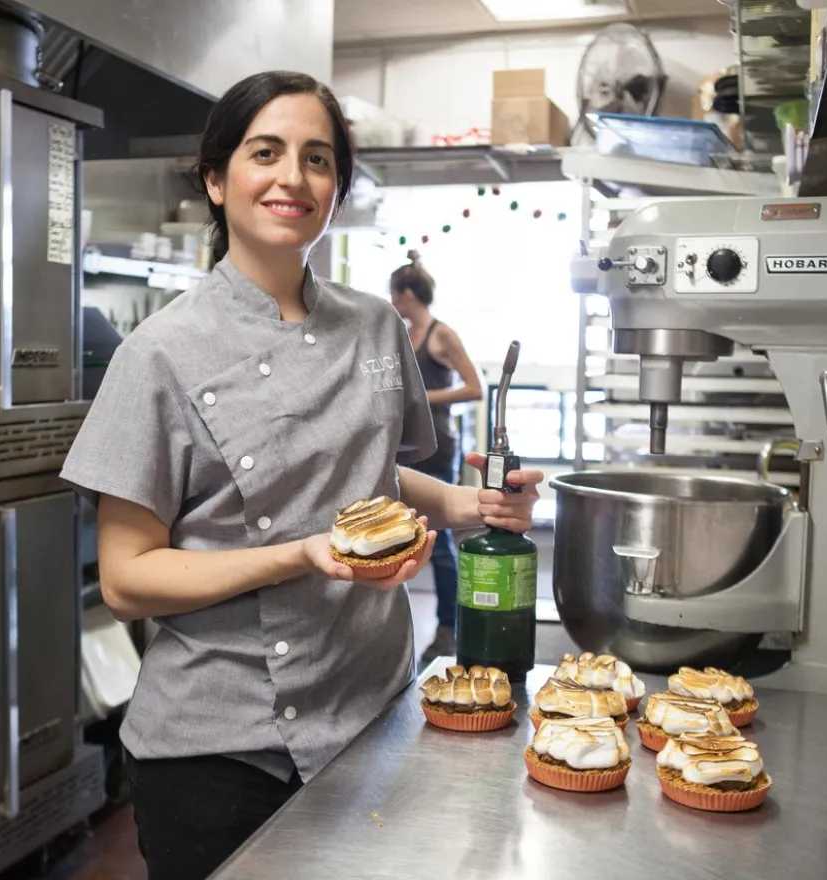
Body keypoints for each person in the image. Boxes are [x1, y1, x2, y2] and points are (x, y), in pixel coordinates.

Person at [60, 70, 543, 880]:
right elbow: (127, 580)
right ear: (216, 179)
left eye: (318, 159)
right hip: (221, 752)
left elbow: (366, 477)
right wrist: (303, 553)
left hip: (374, 714)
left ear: (338, 191)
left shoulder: (376, 327)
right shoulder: (160, 353)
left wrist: (471, 504)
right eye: (266, 152)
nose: (293, 177)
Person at [388, 252, 487, 666]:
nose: (392, 302)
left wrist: (424, 398)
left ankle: (449, 627)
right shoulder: (404, 334)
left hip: (436, 446)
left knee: (439, 539)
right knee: (396, 533)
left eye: (394, 294)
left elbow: (474, 387)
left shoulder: (441, 335)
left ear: (408, 294)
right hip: (401, 444)